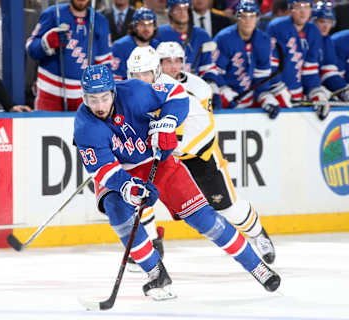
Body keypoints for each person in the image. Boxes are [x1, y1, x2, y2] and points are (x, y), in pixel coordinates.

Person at [74, 64, 281, 299]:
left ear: (113, 91)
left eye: (103, 97)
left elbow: (177, 94)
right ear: (83, 97)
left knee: (204, 218)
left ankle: (256, 266)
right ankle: (155, 272)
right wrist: (129, 188)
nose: (99, 106)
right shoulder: (84, 127)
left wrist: (168, 121)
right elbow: (105, 171)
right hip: (121, 172)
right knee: (116, 208)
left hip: (157, 162)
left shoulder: (134, 91)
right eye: (92, 99)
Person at [130, 43, 277, 264]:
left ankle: (257, 233)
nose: (172, 66)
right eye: (166, 61)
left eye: (176, 60)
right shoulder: (136, 90)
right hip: (167, 157)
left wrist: (174, 145)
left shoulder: (192, 90)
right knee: (139, 194)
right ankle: (153, 242)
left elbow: (203, 128)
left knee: (225, 206)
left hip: (199, 156)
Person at [26, 0, 112, 111]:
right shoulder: (52, 13)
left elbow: (104, 63)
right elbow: (31, 48)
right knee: (46, 128)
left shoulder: (100, 20)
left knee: (86, 128)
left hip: (86, 94)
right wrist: (46, 42)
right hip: (50, 92)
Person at [213, 0, 289, 118]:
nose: (248, 20)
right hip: (226, 92)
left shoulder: (263, 40)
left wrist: (265, 98)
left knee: (281, 102)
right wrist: (225, 92)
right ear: (237, 17)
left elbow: (262, 78)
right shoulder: (223, 38)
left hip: (248, 96)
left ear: (257, 18)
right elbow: (215, 74)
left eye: (252, 16)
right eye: (243, 16)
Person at [266, 0, 330, 120]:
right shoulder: (277, 27)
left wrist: (316, 94)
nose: (303, 12)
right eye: (299, 6)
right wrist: (276, 89)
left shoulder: (314, 31)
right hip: (275, 96)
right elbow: (269, 65)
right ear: (291, 9)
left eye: (307, 7)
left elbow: (310, 70)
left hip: (298, 98)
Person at [155, 0, 224, 107]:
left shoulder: (202, 35)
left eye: (185, 8)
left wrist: (212, 91)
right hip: (166, 91)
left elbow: (208, 68)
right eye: (178, 9)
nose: (182, 12)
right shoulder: (158, 34)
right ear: (170, 12)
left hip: (194, 92)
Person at [312, 1, 349, 101]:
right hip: (299, 89)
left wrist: (344, 90)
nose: (326, 26)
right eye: (322, 21)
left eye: (329, 22)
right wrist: (314, 89)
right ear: (313, 21)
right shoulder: (304, 39)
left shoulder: (327, 41)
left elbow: (329, 71)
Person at [111, 7, 160, 80]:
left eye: (150, 24)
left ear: (154, 27)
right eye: (142, 24)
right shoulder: (119, 46)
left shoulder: (158, 46)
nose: (146, 28)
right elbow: (116, 78)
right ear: (134, 26)